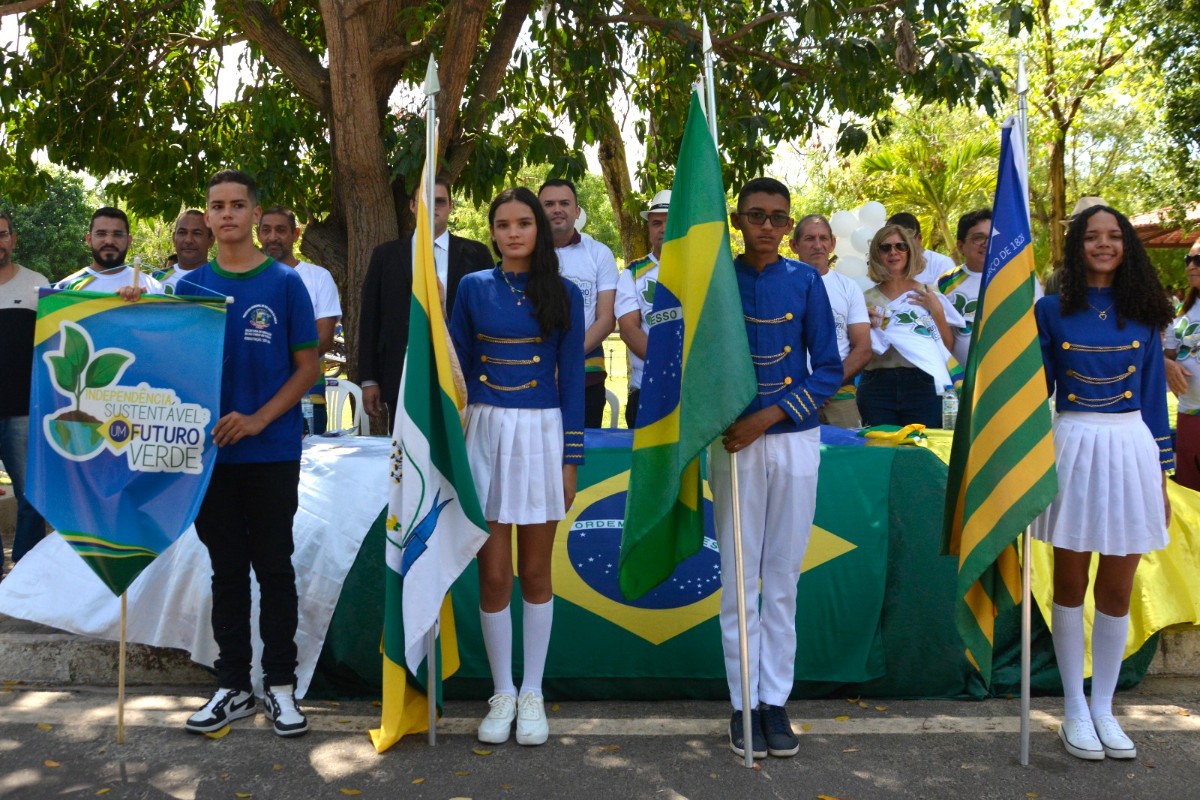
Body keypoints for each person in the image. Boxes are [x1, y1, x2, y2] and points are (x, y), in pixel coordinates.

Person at [177, 170, 319, 739]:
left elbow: (308, 368)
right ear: (206, 219)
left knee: (275, 568)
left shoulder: (285, 284)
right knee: (226, 571)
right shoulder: (187, 289)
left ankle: (280, 686)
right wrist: (130, 305)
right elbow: (158, 362)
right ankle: (233, 684)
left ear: (255, 215)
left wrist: (260, 418)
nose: (227, 214)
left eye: (238, 205)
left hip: (272, 452)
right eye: (217, 206)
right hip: (209, 459)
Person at [1032, 204, 1174, 762]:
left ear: (1127, 247)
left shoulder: (1146, 311)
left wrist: (1161, 478)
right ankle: (1072, 709)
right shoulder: (1050, 310)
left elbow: (1154, 401)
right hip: (1073, 443)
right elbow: (1031, 387)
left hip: (1131, 447)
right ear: (1077, 247)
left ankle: (1104, 708)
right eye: (1092, 237)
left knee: (1116, 589)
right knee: (1070, 582)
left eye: (1114, 236)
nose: (1104, 245)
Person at [449, 187, 584, 747]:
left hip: (542, 432)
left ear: (539, 229)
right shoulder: (472, 287)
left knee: (535, 571)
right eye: (502, 224)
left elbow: (574, 380)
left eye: (523, 223)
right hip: (484, 430)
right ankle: (501, 690)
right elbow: (453, 368)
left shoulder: (566, 292)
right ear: (493, 231)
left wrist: (572, 458)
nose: (513, 233)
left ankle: (533, 691)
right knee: (494, 573)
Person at [717, 178, 842, 759]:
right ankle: (742, 703)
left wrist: (766, 418)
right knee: (740, 580)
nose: (766, 226)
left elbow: (828, 371)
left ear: (790, 227)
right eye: (755, 215)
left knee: (783, 578)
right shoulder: (717, 281)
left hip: (790, 439)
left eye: (777, 217)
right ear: (738, 220)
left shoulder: (807, 281)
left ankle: (775, 702)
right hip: (732, 445)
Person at [358, 177, 492, 425]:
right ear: (412, 206)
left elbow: (488, 318)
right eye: (425, 201)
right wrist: (369, 379)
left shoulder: (477, 254)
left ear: (451, 205)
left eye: (440, 201)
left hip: (461, 373)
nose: (433, 208)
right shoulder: (385, 256)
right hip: (402, 372)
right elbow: (370, 318)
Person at [859, 224, 963, 428]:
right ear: (876, 254)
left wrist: (938, 313)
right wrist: (865, 329)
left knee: (922, 453)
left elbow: (947, 348)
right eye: (885, 247)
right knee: (882, 452)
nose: (893, 252)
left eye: (900, 246)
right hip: (877, 385)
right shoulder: (865, 300)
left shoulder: (929, 294)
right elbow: (858, 351)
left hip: (923, 383)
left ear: (910, 251)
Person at [539, 179, 618, 427]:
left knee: (583, 456)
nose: (557, 209)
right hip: (534, 373)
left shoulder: (599, 253)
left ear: (577, 211)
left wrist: (567, 357)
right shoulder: (524, 253)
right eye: (548, 204)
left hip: (586, 376)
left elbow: (606, 320)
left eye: (564, 203)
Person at [258, 206, 341, 435]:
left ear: (295, 234)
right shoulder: (249, 279)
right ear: (258, 234)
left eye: (280, 230)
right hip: (257, 396)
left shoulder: (319, 277)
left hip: (307, 397)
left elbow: (324, 339)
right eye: (266, 230)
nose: (272, 237)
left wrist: (275, 362)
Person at [0, 211, 49, 570]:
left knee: (31, 495)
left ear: (13, 240)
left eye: (2, 235)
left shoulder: (37, 284)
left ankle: (27, 572)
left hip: (23, 409)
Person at [789, 214, 871, 428]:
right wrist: (807, 392)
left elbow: (862, 348)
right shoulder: (781, 286)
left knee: (847, 460)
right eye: (809, 239)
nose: (818, 245)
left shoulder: (849, 287)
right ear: (794, 245)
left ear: (833, 243)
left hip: (838, 396)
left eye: (823, 238)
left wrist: (824, 386)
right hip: (790, 396)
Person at [615, 189, 670, 427]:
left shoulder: (700, 271)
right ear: (648, 229)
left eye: (671, 222)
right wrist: (671, 369)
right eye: (656, 223)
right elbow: (629, 330)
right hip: (646, 389)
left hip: (694, 393)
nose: (663, 229)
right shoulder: (633, 273)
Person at [54, 207, 163, 294]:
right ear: (89, 239)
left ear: (129, 241)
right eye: (101, 234)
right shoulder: (64, 288)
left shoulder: (152, 288)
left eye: (118, 234)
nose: (109, 241)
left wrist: (144, 304)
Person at [1166, 240, 1200, 491]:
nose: (1191, 266)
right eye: (1188, 259)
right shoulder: (1181, 316)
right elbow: (1166, 358)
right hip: (1190, 419)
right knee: (1192, 497)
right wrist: (1168, 365)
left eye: (1198, 260)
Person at [887, 212, 956, 285]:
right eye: (887, 246)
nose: (894, 251)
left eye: (903, 244)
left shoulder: (942, 263)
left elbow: (952, 295)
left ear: (919, 238)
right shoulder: (884, 263)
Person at [153, 210, 214, 293]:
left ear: (211, 240)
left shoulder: (221, 280)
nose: (188, 240)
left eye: (197, 233)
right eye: (182, 232)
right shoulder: (154, 280)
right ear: (174, 238)